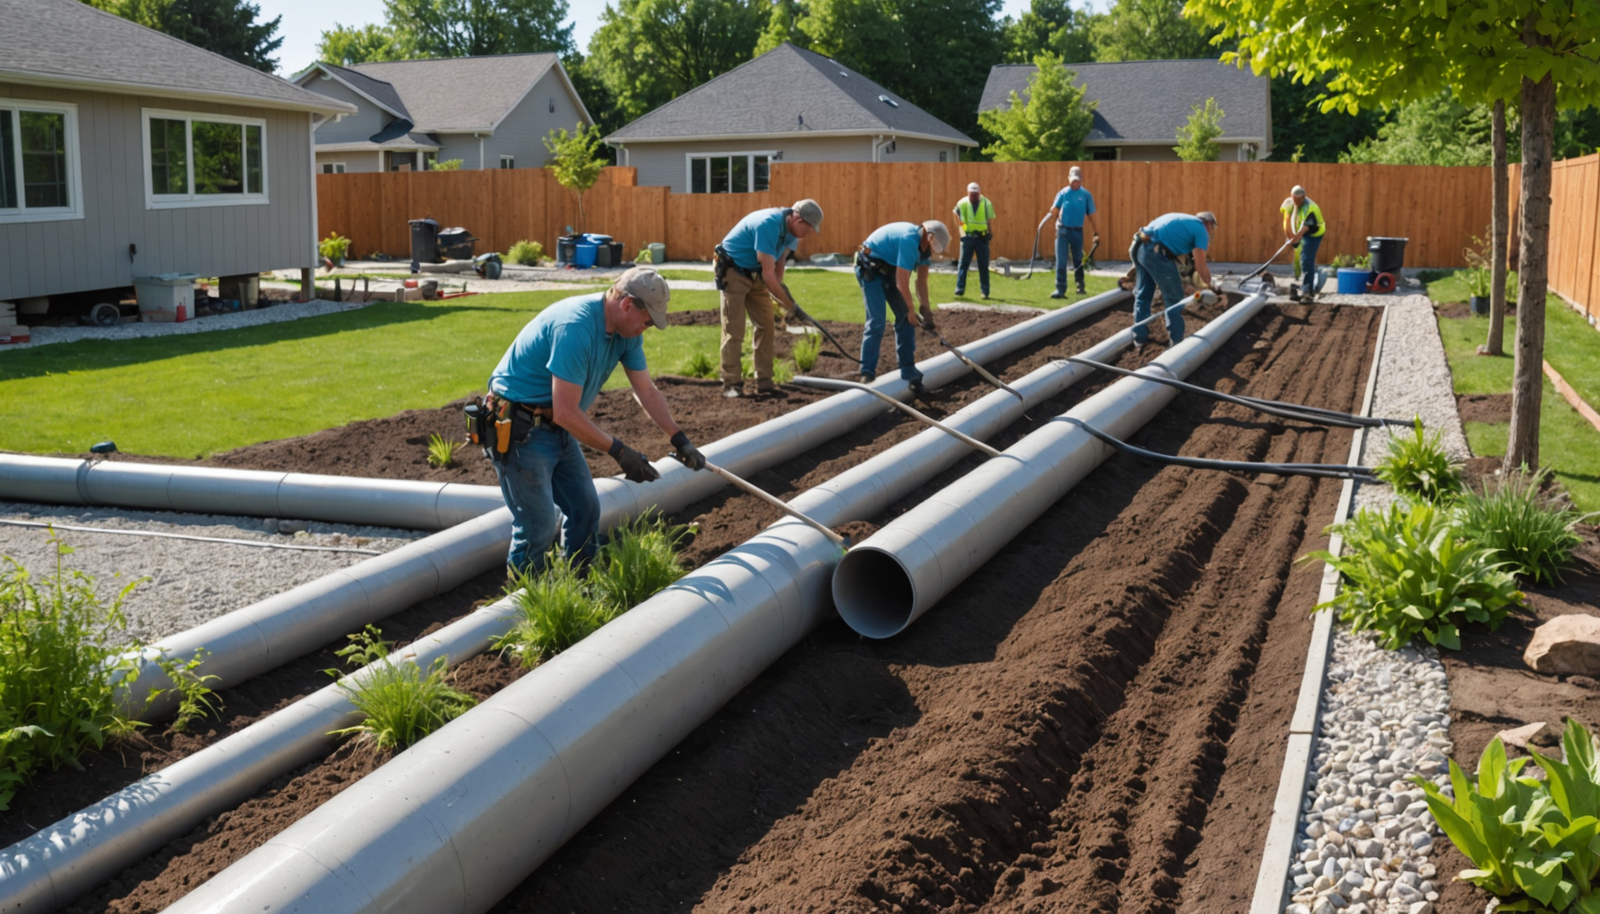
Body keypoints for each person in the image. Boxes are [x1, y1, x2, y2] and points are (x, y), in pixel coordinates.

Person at [485, 266, 705, 576]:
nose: (648, 328)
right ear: (627, 304)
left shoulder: (626, 334)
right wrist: (618, 451)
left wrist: (679, 438)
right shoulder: (575, 327)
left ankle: (579, 583)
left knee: (585, 508)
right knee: (537, 526)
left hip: (556, 428)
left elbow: (646, 391)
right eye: (646, 321)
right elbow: (566, 412)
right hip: (522, 429)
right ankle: (525, 605)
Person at [713, 199, 825, 398]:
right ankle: (732, 384)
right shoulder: (768, 224)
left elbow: (777, 272)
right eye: (808, 228)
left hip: (755, 275)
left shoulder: (792, 235)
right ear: (798, 219)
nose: (809, 233)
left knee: (766, 326)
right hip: (733, 271)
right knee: (734, 329)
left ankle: (765, 382)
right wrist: (793, 307)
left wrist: (785, 302)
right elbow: (769, 276)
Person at [855, 220, 950, 394]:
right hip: (870, 269)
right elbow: (901, 281)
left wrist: (925, 308)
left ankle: (908, 371)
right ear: (928, 237)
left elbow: (921, 282)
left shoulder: (923, 251)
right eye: (931, 246)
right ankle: (867, 372)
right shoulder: (909, 240)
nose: (930, 252)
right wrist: (911, 311)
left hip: (888, 272)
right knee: (877, 321)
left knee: (905, 319)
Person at [1129, 211, 1218, 349]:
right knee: (1174, 298)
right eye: (1212, 228)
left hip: (1139, 245)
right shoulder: (1201, 229)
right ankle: (1176, 342)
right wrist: (1209, 285)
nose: (1211, 232)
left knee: (1144, 293)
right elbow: (1200, 264)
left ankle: (1139, 338)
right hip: (1156, 252)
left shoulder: (1183, 220)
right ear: (1208, 223)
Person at [1043, 166, 1100, 299]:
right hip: (1063, 230)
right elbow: (1055, 210)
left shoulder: (1086, 195)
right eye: (1073, 180)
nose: (1075, 183)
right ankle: (1060, 289)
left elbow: (1092, 215)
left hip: (1077, 232)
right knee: (1061, 260)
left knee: (1077, 260)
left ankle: (1080, 285)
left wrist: (1096, 232)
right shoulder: (1063, 193)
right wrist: (1054, 214)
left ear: (1081, 180)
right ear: (1069, 179)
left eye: (1077, 181)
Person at [1280, 185, 1327, 301]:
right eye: (1294, 198)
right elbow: (1287, 222)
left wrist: (1295, 238)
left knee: (1306, 259)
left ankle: (1308, 289)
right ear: (1291, 196)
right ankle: (1298, 282)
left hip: (1313, 234)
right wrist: (1289, 236)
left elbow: (1305, 229)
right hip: (1300, 232)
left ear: (1303, 197)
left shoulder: (1311, 208)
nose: (1296, 201)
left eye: (1298, 199)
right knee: (1296, 260)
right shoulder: (1289, 204)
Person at [952, 182, 996, 299]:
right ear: (968, 193)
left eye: (976, 194)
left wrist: (990, 233)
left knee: (983, 265)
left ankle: (985, 291)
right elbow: (956, 216)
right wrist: (962, 233)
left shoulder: (986, 203)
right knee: (963, 264)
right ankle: (959, 288)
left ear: (979, 193)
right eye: (972, 194)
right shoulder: (962, 203)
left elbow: (988, 220)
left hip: (981, 238)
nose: (974, 196)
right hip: (968, 237)